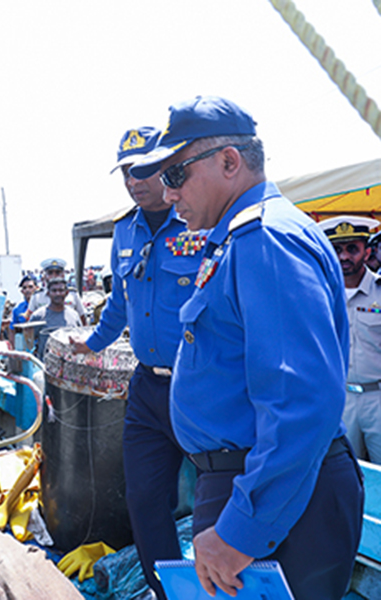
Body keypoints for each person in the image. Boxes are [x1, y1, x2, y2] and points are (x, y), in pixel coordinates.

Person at [128, 95, 363, 600]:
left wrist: (242, 531)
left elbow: (299, 403)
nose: (167, 195)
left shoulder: (265, 241)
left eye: (174, 176)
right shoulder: (237, 240)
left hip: (278, 498)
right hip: (261, 488)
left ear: (229, 162)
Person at [67, 126, 206, 600]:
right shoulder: (124, 230)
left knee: (214, 494)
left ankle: (221, 585)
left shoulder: (198, 220)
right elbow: (119, 307)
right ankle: (165, 590)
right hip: (146, 388)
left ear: (167, 167)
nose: (134, 180)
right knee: (145, 498)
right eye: (127, 171)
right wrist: (94, 342)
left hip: (200, 385)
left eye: (144, 169)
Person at [321, 215, 381, 463]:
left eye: (352, 249)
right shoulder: (320, 294)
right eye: (337, 249)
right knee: (345, 472)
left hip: (377, 399)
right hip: (339, 399)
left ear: (367, 253)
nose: (344, 256)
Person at [30, 277, 82, 358]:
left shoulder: (74, 315)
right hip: (46, 367)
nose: (58, 294)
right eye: (54, 291)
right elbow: (28, 342)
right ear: (48, 293)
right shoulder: (39, 316)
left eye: (61, 290)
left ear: (67, 293)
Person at [8, 274, 37, 348]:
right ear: (22, 291)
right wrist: (13, 350)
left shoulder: (43, 306)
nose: (27, 290)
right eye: (25, 288)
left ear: (36, 288)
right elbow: (12, 330)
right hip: (26, 346)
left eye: (30, 287)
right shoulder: (17, 309)